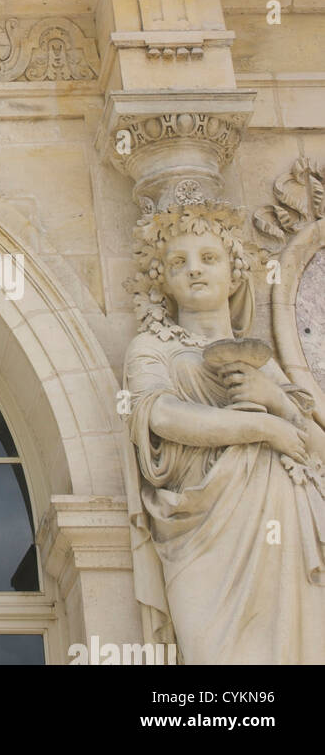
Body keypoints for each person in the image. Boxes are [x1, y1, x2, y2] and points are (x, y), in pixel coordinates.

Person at [124, 202, 325, 663]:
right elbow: (162, 416)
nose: (194, 270)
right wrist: (260, 426)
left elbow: (317, 451)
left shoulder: (266, 364)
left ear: (235, 274)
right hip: (200, 525)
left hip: (277, 514)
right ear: (163, 280)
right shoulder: (152, 347)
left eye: (208, 258)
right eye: (179, 262)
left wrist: (274, 399)